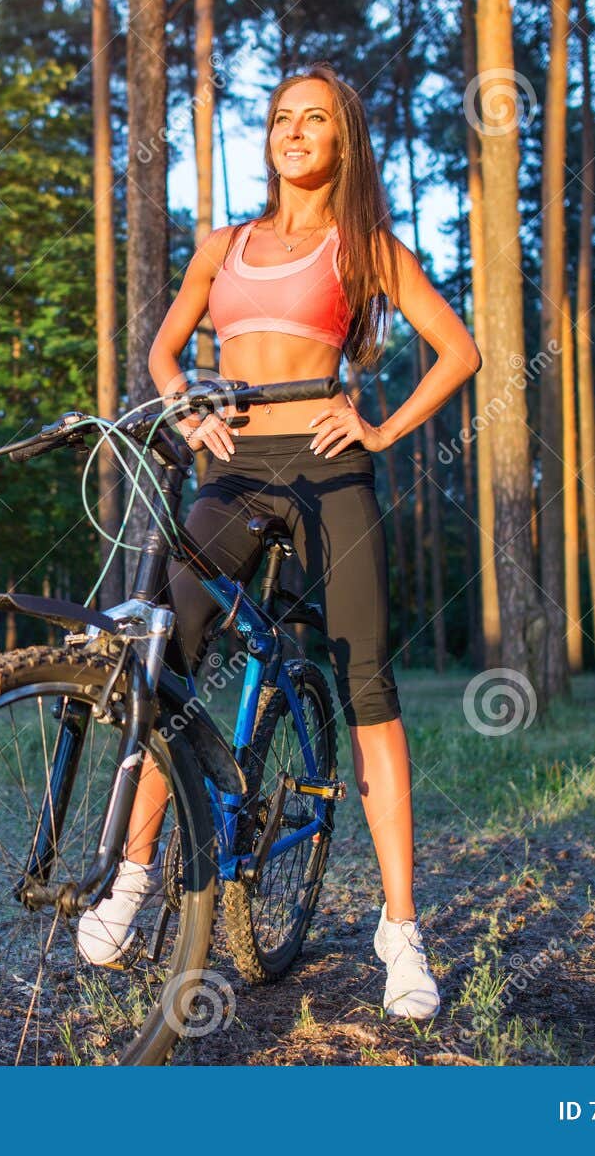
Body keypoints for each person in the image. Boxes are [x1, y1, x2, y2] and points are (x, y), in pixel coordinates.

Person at [75, 64, 480, 1021]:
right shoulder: (221, 247)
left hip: (329, 470)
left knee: (368, 686)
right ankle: (133, 881)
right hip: (233, 472)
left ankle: (400, 930)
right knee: (167, 663)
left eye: (316, 120)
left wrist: (378, 430)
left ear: (342, 143)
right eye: (282, 119)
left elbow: (459, 350)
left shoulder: (365, 245)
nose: (295, 132)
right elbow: (165, 352)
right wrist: (185, 409)